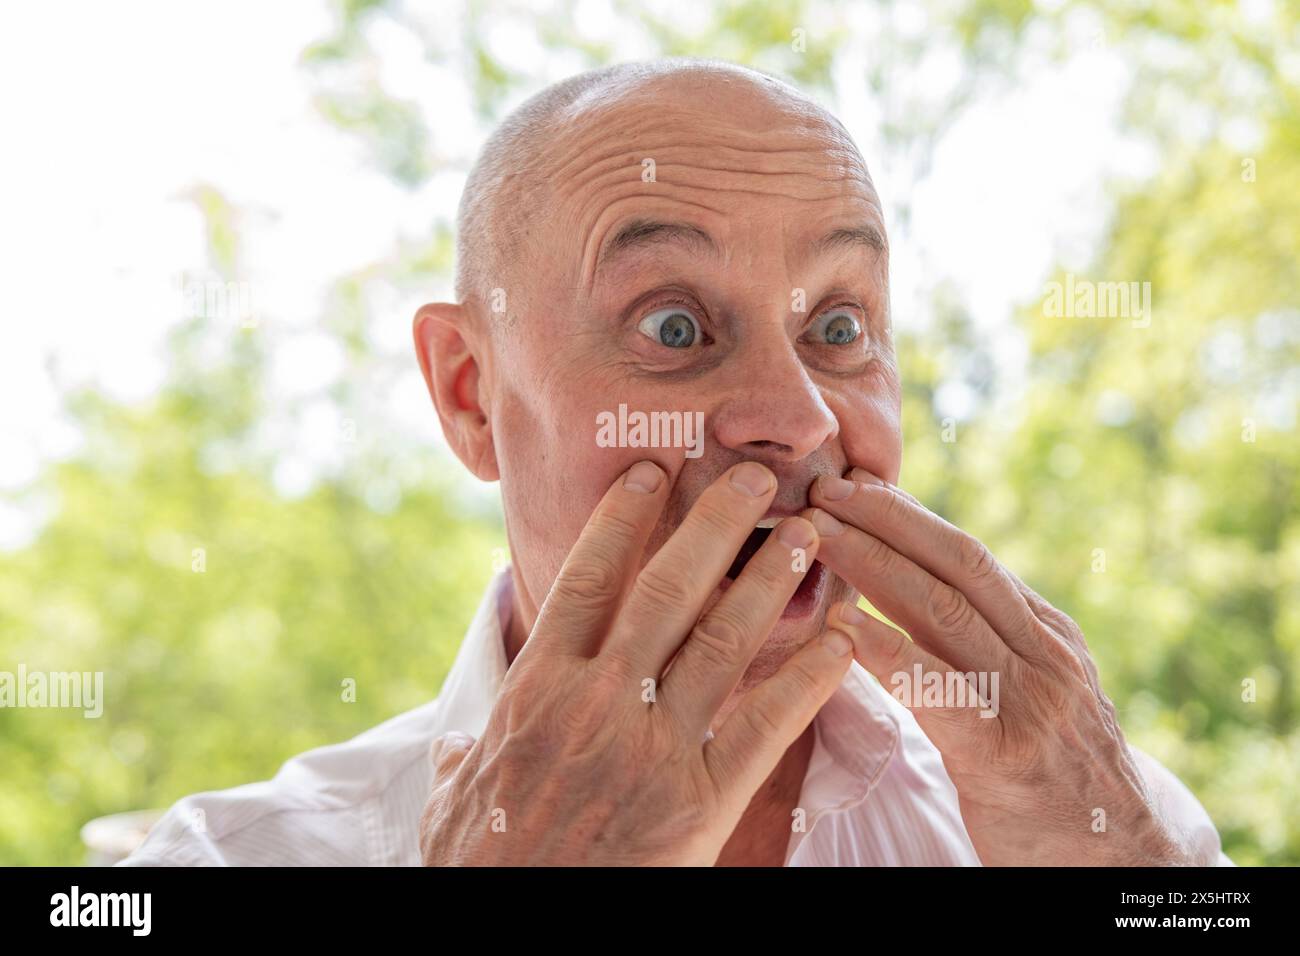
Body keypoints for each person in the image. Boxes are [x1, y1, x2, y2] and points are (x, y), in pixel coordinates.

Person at [122, 58, 1229, 867]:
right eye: (673, 329)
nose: (796, 422)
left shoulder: (1100, 820)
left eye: (838, 329)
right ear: (469, 392)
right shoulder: (222, 860)